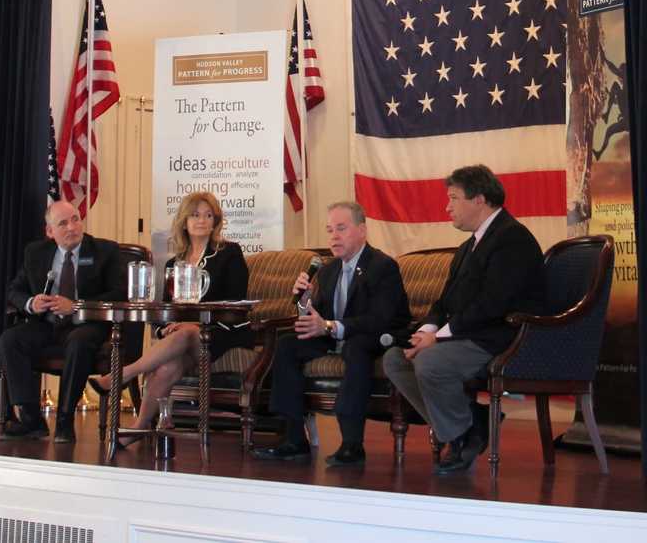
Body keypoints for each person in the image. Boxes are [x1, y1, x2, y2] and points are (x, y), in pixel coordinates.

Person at [383, 165, 544, 474]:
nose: (447, 207)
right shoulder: (468, 247)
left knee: (431, 363)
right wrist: (427, 330)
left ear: (479, 199)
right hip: (471, 334)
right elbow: (445, 302)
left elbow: (492, 305)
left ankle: (460, 437)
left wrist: (438, 338)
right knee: (395, 359)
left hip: (502, 338)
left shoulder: (512, 239)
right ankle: (472, 422)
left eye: (453, 198)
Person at [252, 202, 410, 466]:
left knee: (355, 347)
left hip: (377, 336)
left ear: (362, 230)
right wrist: (304, 302)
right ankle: (294, 439)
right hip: (335, 335)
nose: (334, 236)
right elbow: (318, 317)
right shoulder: (327, 270)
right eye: (330, 230)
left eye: (341, 228)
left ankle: (351, 444)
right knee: (288, 345)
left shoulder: (382, 266)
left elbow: (379, 319)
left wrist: (329, 327)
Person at [88, 192, 251, 444]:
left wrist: (194, 324)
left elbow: (235, 302)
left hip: (222, 333)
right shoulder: (174, 263)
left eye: (209, 216)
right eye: (195, 215)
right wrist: (165, 330)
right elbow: (164, 311)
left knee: (186, 332)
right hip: (182, 341)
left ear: (216, 221)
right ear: (184, 221)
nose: (202, 221)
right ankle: (139, 427)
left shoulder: (229, 253)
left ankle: (124, 373)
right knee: (167, 366)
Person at [0, 200, 125, 444]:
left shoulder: (105, 251)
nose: (71, 227)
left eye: (75, 219)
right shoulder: (36, 253)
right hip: (47, 324)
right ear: (50, 231)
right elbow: (14, 290)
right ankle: (31, 420)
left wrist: (76, 306)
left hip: (86, 324)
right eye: (63, 223)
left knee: (78, 342)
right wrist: (31, 302)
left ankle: (65, 420)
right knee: (10, 340)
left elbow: (119, 293)